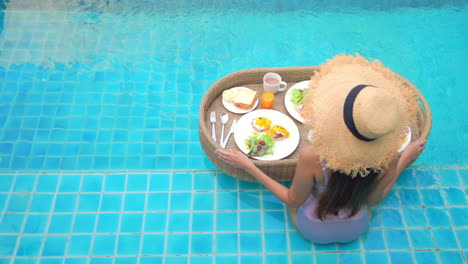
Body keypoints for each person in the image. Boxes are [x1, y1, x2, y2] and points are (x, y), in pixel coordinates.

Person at [216, 54, 427, 244]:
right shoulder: (389, 156)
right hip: (357, 227)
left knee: (293, 202)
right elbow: (373, 200)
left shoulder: (313, 157)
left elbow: (292, 199)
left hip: (313, 229)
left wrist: (249, 166)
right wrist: (403, 160)